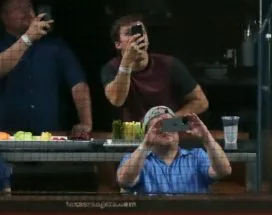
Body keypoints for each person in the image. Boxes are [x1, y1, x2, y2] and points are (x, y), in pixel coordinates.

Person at [0, 0, 92, 138]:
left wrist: (85, 123)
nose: (26, 11)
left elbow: (78, 84)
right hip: (6, 135)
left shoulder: (55, 46)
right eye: (18, 7)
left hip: (49, 135)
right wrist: (27, 38)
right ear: (4, 17)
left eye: (29, 7)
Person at [101, 15, 208, 124]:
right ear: (118, 44)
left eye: (140, 31)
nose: (137, 37)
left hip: (170, 129)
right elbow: (117, 100)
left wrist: (169, 121)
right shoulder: (111, 68)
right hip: (134, 134)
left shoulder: (169, 64)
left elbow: (201, 102)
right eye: (129, 33)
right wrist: (127, 62)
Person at [116, 105, 233, 194]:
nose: (165, 130)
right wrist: (145, 144)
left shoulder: (197, 156)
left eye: (170, 125)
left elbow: (224, 171)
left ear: (178, 131)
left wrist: (207, 137)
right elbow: (124, 181)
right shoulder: (136, 160)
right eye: (158, 127)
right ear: (147, 133)